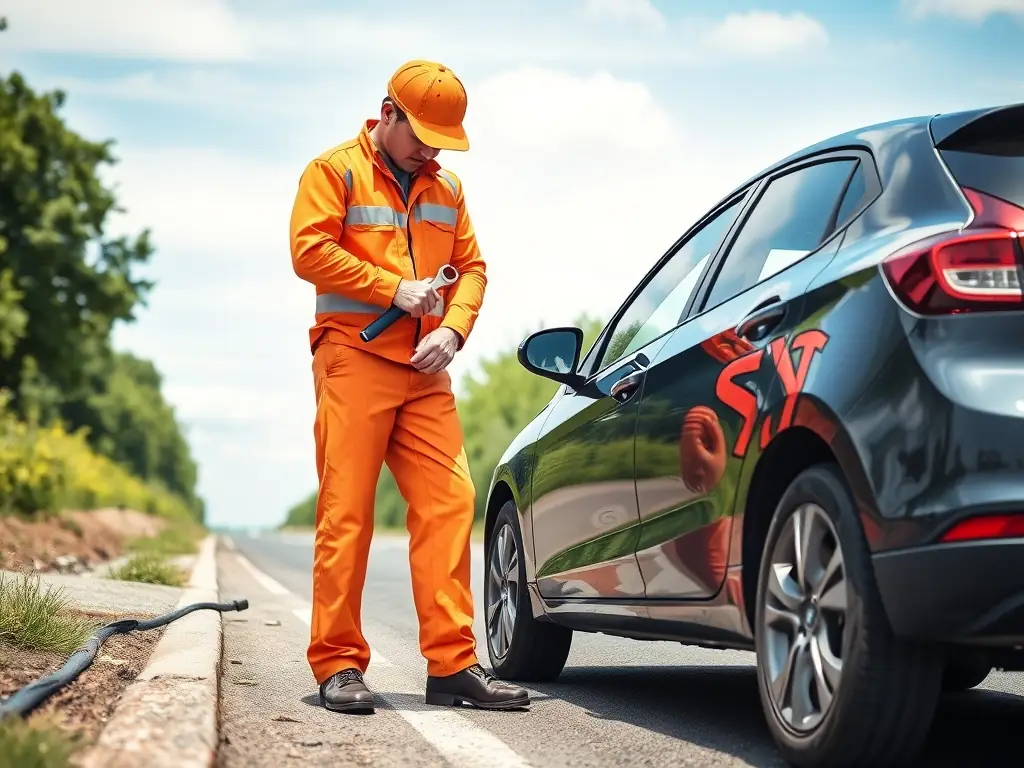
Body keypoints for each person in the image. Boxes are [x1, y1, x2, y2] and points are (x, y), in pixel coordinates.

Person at [288, 59, 530, 715]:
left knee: (452, 503)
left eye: (441, 140)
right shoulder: (333, 171)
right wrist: (391, 287)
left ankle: (453, 665)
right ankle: (338, 663)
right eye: (421, 134)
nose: (430, 150)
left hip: (425, 369)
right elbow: (308, 250)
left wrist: (452, 330)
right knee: (349, 513)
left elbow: (473, 269)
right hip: (354, 357)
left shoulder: (446, 189)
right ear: (387, 112)